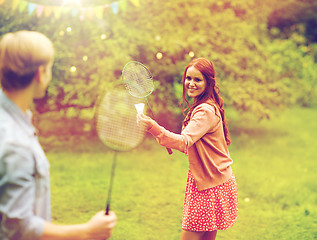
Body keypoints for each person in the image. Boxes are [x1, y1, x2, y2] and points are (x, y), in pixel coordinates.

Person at [0, 30, 117, 240]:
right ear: (40, 73)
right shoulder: (15, 143)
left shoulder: (12, 121)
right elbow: (19, 228)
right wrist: (87, 231)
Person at [137, 57, 238, 240]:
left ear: (208, 83)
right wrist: (164, 136)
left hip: (208, 187)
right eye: (188, 78)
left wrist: (152, 127)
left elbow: (184, 141)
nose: (191, 83)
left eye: (197, 79)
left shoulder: (204, 111)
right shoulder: (204, 106)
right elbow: (192, 145)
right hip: (216, 180)